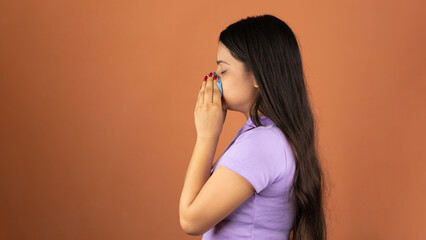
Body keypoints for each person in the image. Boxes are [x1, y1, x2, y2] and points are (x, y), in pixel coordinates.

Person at [179, 14, 327, 240]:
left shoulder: (262, 143)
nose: (215, 79)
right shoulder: (269, 136)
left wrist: (206, 136)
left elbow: (191, 221)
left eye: (223, 70)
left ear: (257, 75)